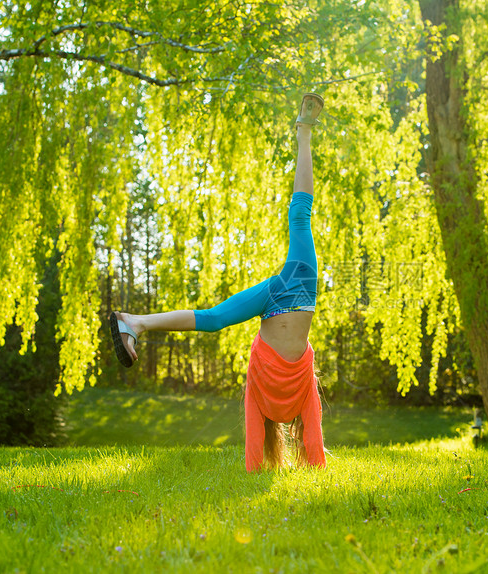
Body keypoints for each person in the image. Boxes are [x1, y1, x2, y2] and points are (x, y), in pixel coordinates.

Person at [108, 94, 327, 472]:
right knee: (301, 216)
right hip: (300, 289)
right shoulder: (301, 385)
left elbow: (259, 441)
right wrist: (318, 470)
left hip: (277, 298)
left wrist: (256, 471)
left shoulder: (261, 390)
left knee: (212, 319)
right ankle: (303, 132)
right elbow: (314, 437)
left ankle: (135, 322)